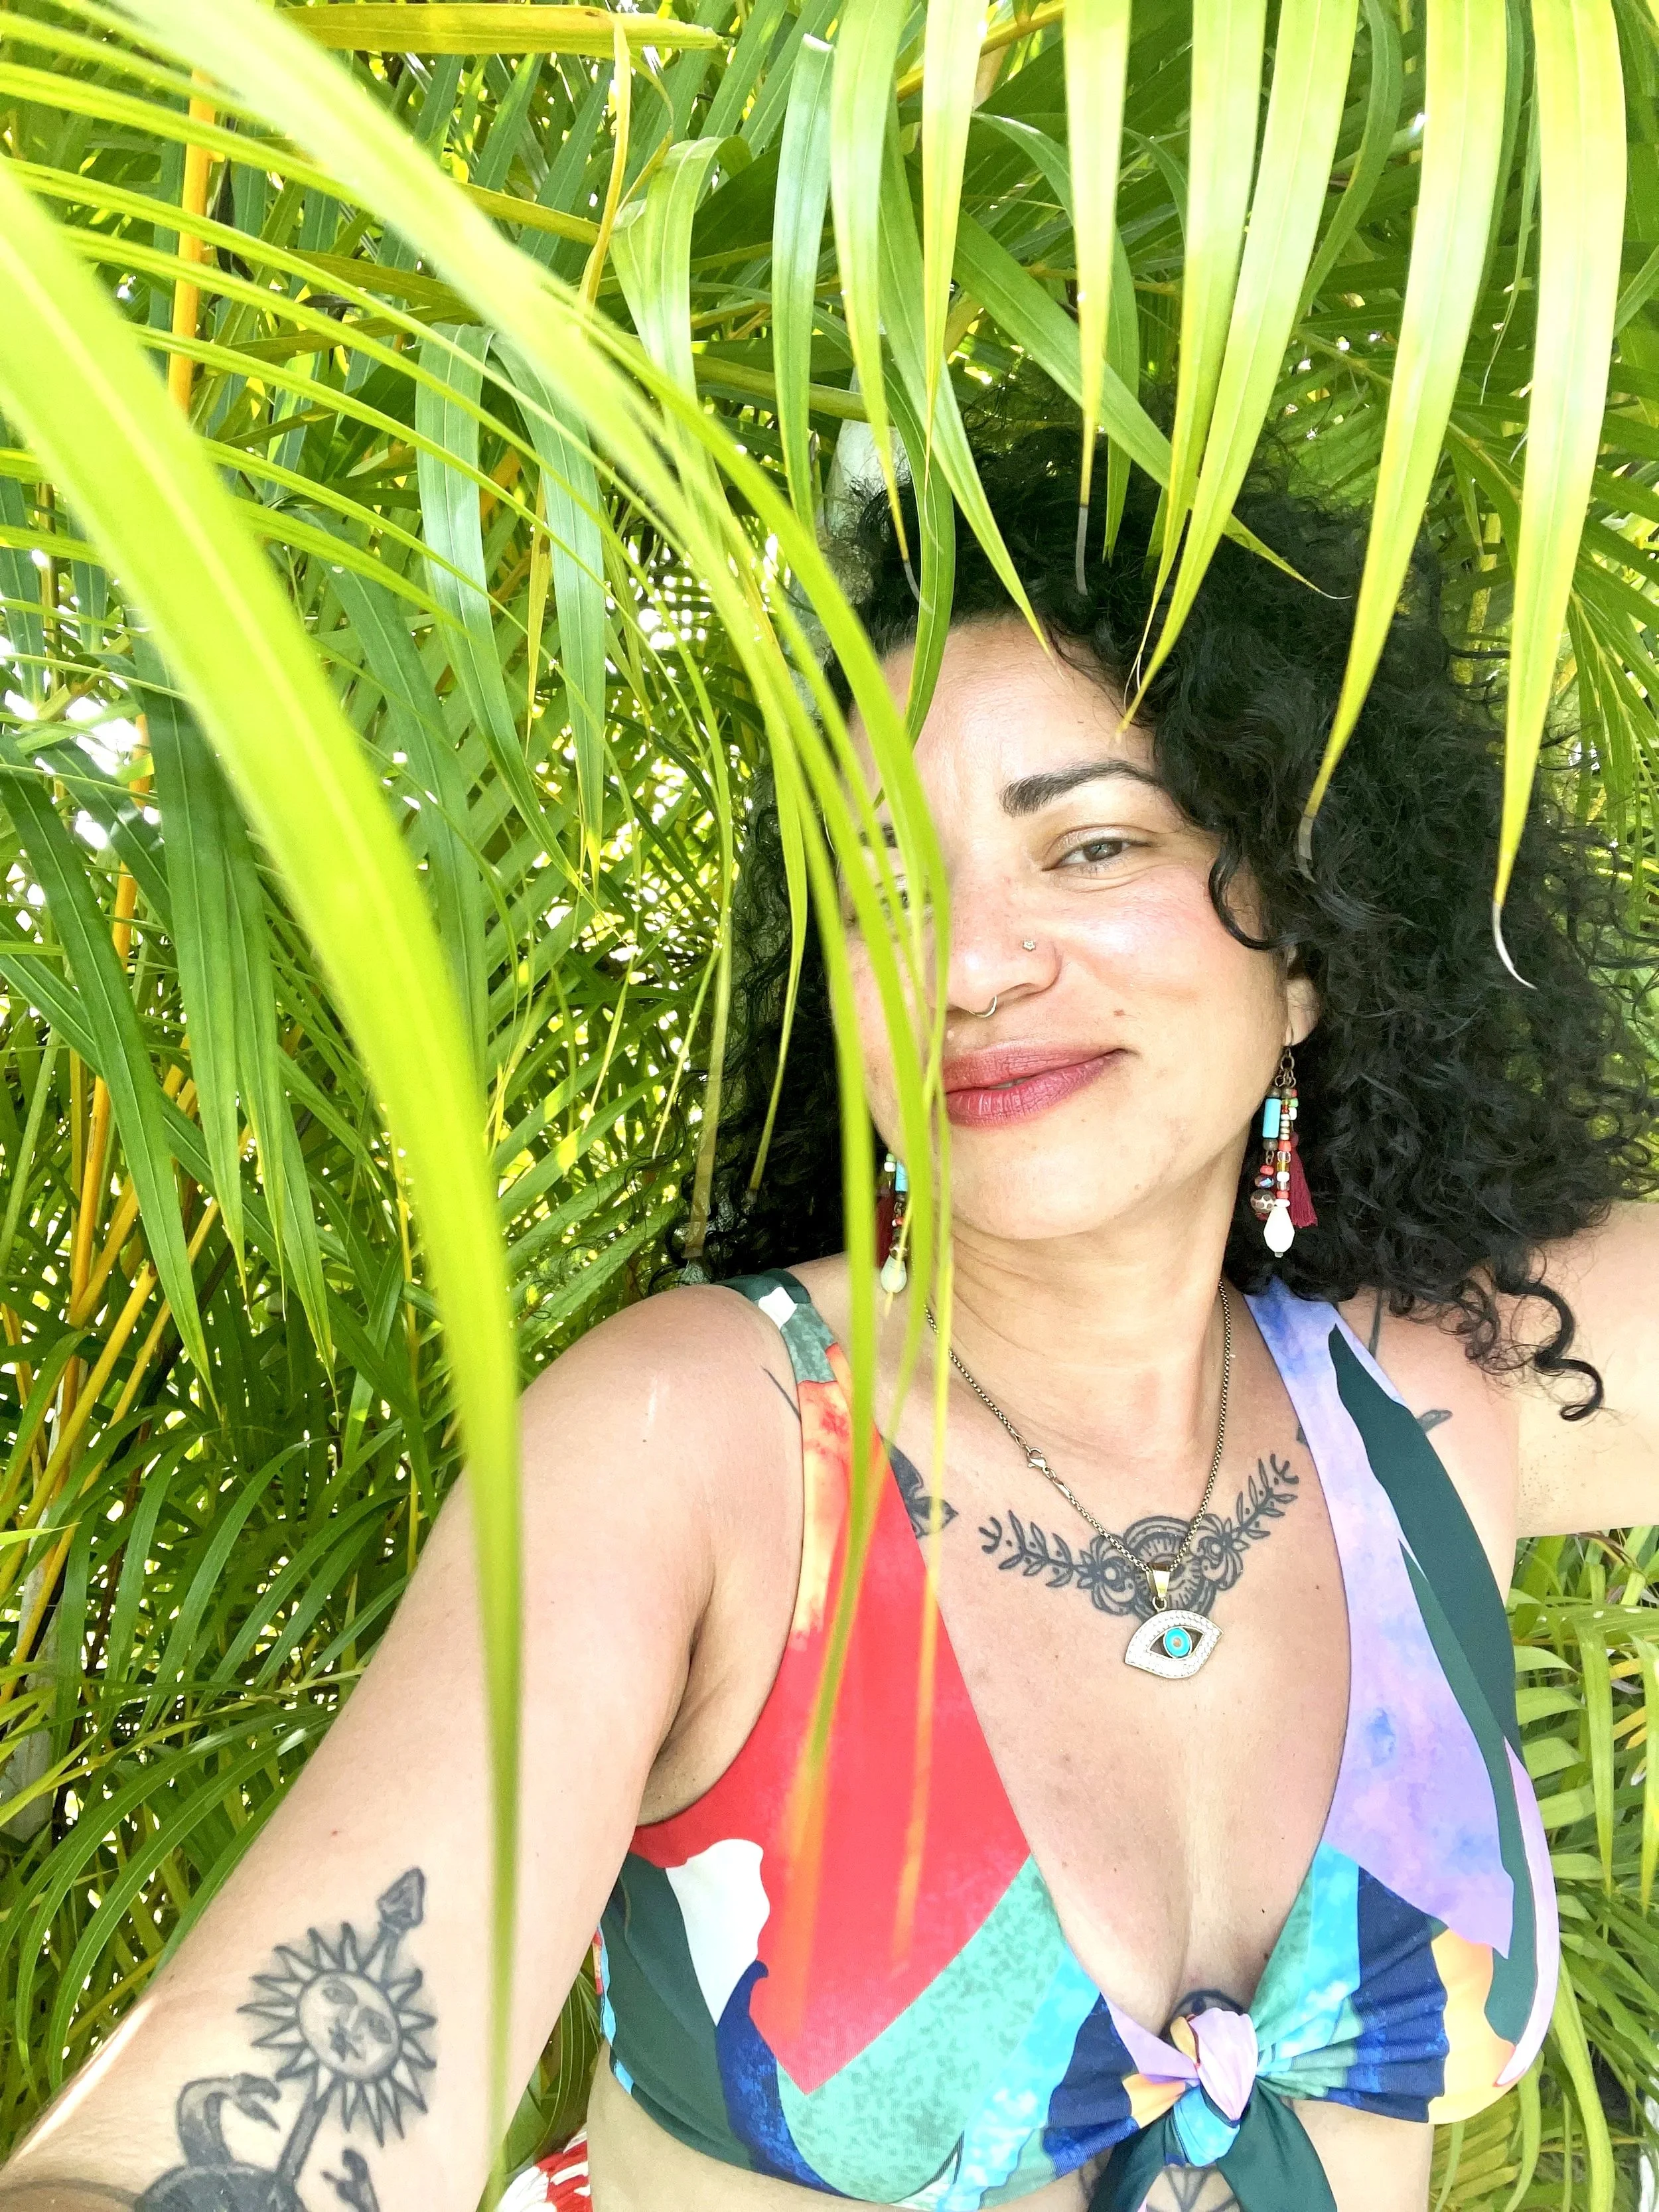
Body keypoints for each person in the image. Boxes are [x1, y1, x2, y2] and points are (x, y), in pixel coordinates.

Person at [3, 429, 1655, 2212]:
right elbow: (197, 2142)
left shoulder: (1421, 1404)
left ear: (1316, 936)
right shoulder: (695, 1449)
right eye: (878, 881)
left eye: (1088, 845)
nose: (963, 961)